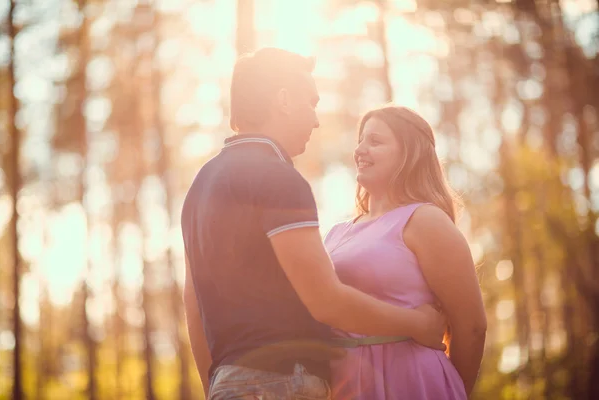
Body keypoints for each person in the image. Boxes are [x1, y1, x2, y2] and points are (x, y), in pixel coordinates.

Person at [180, 48, 447, 400]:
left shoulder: (199, 186)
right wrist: (418, 324)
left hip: (227, 384)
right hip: (285, 382)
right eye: (311, 102)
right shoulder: (279, 178)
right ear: (284, 100)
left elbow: (194, 304)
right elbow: (326, 301)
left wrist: (217, 384)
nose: (316, 120)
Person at [324, 105, 488, 399]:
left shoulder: (425, 220)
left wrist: (449, 389)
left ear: (408, 154)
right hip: (344, 385)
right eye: (360, 140)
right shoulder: (336, 233)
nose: (359, 150)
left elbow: (472, 327)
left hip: (413, 382)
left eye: (375, 141)